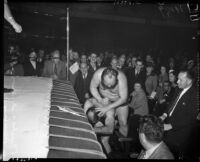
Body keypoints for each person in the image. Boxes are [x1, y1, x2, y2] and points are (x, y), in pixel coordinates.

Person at [84, 67, 128, 155]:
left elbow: (123, 98)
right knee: (104, 139)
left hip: (119, 101)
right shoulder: (97, 74)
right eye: (106, 84)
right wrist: (100, 99)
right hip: (103, 99)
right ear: (102, 78)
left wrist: (107, 108)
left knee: (123, 123)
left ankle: (125, 146)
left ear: (116, 79)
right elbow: (92, 87)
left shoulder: (121, 78)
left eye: (111, 85)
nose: (108, 87)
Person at [159, 70, 198, 159]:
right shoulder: (178, 88)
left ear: (189, 81)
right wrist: (164, 115)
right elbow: (172, 104)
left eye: (180, 80)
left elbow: (190, 118)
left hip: (179, 132)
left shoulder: (195, 95)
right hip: (168, 126)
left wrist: (171, 125)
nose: (177, 81)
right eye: (177, 79)